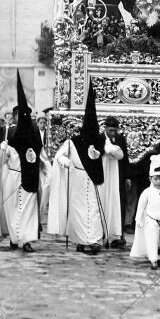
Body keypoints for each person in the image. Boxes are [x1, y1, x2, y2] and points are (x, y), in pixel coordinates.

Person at [0, 73, 48, 252]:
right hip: (12, 179)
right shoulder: (10, 134)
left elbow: (42, 156)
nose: (24, 118)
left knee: (28, 211)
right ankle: (14, 238)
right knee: (13, 211)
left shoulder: (35, 135)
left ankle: (26, 240)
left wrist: (47, 173)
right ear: (15, 117)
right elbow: (0, 162)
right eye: (20, 115)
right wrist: (2, 151)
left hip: (30, 178)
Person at [48, 82, 105, 255]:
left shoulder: (100, 140)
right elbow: (59, 156)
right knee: (78, 210)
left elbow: (113, 152)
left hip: (95, 179)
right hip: (78, 178)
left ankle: (95, 241)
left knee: (94, 209)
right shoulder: (73, 142)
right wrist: (69, 164)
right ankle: (80, 241)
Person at [100, 116, 130, 249]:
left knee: (119, 203)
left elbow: (125, 159)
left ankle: (119, 234)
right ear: (105, 128)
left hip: (118, 175)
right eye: (110, 130)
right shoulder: (100, 139)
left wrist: (127, 177)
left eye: (115, 130)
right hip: (103, 174)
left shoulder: (120, 139)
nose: (113, 133)